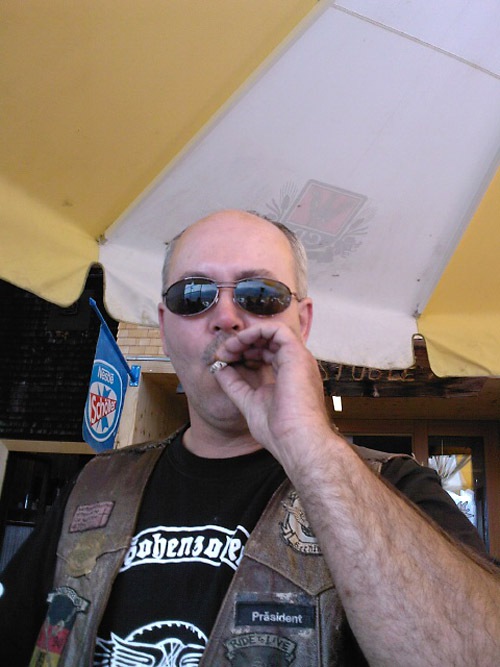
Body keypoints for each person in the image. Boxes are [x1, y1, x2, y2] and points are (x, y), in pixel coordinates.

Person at [1, 209, 498, 667]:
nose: (226, 317)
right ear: (164, 327)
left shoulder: (398, 486)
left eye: (259, 295)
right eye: (193, 295)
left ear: (301, 323)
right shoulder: (95, 485)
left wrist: (310, 444)